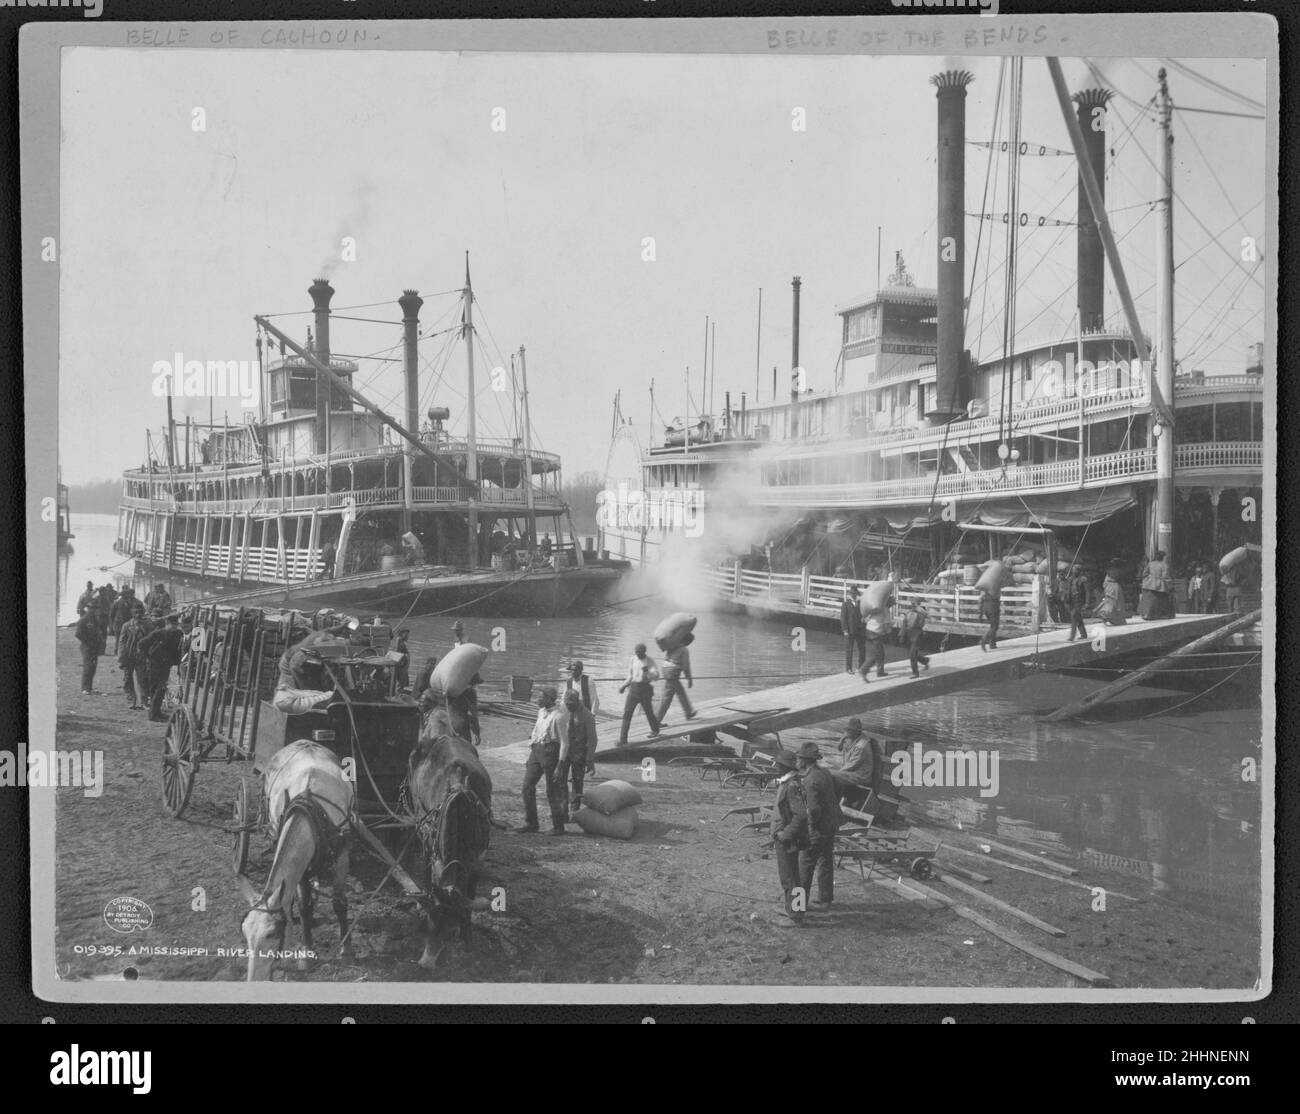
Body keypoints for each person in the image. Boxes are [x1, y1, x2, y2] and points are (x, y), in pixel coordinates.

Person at [796, 742, 843, 910]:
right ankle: (825, 900)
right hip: (831, 824)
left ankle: (797, 905)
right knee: (825, 861)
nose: (797, 761)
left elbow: (814, 810)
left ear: (804, 761)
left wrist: (806, 828)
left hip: (817, 828)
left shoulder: (810, 780)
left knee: (804, 865)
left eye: (798, 758)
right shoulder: (825, 773)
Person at [518, 686, 567, 835]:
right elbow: (536, 732)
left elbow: (565, 743)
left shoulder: (559, 716)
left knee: (552, 791)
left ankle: (558, 827)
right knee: (527, 787)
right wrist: (531, 754)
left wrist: (560, 765)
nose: (537, 699)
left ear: (549, 699)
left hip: (551, 752)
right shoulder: (541, 712)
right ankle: (531, 823)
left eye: (540, 697)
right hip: (537, 751)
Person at [769, 750, 809, 924]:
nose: (775, 767)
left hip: (786, 839)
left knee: (789, 877)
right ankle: (795, 909)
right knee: (793, 876)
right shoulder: (790, 783)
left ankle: (796, 916)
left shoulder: (791, 787)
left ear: (784, 767)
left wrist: (786, 835)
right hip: (786, 837)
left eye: (778, 764)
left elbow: (801, 815)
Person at [556, 688, 597, 818]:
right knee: (560, 779)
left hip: (579, 753)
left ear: (577, 702)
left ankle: (574, 809)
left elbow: (593, 739)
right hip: (565, 750)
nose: (569, 706)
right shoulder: (563, 711)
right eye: (567, 704)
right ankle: (563, 809)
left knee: (577, 781)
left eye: (571, 704)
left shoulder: (587, 716)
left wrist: (590, 759)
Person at [137, 613, 185, 721]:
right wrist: (148, 657)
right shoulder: (158, 633)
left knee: (160, 689)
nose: (174, 627)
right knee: (157, 689)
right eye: (172, 625)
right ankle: (153, 715)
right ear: (166, 624)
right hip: (155, 665)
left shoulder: (177, 634)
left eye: (176, 625)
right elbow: (141, 644)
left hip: (166, 665)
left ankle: (156, 712)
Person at [617, 642, 661, 745]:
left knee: (648, 712)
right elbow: (630, 676)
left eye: (640, 652)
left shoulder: (650, 661)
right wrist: (623, 686)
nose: (638, 654)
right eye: (637, 652)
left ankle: (655, 730)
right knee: (627, 713)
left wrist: (648, 672)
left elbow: (656, 676)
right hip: (633, 689)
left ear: (644, 652)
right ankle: (623, 740)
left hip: (645, 689)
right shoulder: (632, 659)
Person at [833, 718, 883, 807]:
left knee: (832, 776)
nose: (847, 733)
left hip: (861, 776)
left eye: (850, 731)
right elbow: (839, 748)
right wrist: (842, 740)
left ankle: (835, 805)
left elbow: (850, 766)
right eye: (847, 730)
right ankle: (838, 803)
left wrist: (834, 773)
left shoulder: (861, 746)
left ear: (857, 732)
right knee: (833, 775)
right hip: (852, 773)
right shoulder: (851, 739)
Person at [656, 633, 697, 724]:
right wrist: (689, 679)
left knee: (680, 693)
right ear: (688, 642)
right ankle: (656, 722)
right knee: (667, 698)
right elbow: (686, 667)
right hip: (672, 674)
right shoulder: (684, 650)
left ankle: (689, 712)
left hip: (665, 670)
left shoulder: (672, 646)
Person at [116, 609, 148, 708]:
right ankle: (131, 701)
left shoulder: (147, 625)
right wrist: (121, 658)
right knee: (127, 680)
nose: (138, 615)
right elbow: (121, 643)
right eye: (136, 613)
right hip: (128, 656)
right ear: (132, 614)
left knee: (142, 680)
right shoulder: (126, 626)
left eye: (140, 613)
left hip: (141, 657)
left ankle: (144, 702)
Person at [75, 606, 106, 695]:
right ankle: (85, 688)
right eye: (92, 609)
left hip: (94, 647)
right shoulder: (83, 620)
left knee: (93, 667)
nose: (94, 610)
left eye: (95, 609)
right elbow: (78, 634)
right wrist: (88, 641)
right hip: (87, 647)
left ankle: (89, 687)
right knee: (88, 666)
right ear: (88, 609)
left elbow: (98, 632)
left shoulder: (95, 619)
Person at [858, 598, 888, 681]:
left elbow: (865, 619)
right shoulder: (884, 609)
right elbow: (886, 624)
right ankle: (863, 670)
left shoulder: (875, 608)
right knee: (877, 654)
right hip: (876, 633)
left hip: (868, 631)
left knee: (879, 652)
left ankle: (880, 671)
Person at [1139, 550, 1173, 619]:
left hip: (1149, 583)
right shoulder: (1164, 565)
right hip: (1160, 584)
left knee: (1148, 599)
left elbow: (1144, 573)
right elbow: (1165, 576)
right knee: (1161, 599)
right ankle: (1159, 615)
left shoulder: (1150, 564)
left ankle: (1146, 614)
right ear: (1162, 557)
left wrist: (1148, 578)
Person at [1094, 559, 1129, 625]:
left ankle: (1107, 616)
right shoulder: (1116, 571)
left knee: (1110, 602)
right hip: (1114, 588)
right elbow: (1117, 578)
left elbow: (1105, 583)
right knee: (1115, 604)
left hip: (1109, 587)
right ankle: (1111, 617)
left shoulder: (1108, 572)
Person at [840, 586, 866, 674]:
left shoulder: (860, 603)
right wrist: (845, 630)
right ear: (850, 595)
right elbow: (843, 618)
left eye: (855, 594)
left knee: (862, 649)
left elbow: (863, 614)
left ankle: (861, 667)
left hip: (860, 629)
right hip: (850, 630)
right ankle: (849, 668)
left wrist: (864, 620)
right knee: (849, 649)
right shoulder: (845, 604)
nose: (854, 595)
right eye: (852, 594)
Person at [902, 600, 930, 677]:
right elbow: (904, 625)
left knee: (912, 654)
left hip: (916, 635)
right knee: (911, 653)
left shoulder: (920, 614)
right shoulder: (908, 613)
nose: (912, 605)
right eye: (912, 604)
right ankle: (924, 661)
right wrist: (901, 636)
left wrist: (918, 611)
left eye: (914, 604)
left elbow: (921, 624)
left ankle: (915, 673)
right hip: (908, 635)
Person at [1065, 566, 1092, 642]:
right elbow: (1068, 589)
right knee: (1078, 617)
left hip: (1079, 601)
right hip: (1072, 601)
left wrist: (1087, 603)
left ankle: (1072, 636)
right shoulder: (1070, 579)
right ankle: (1083, 634)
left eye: (1075, 570)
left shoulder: (1083, 579)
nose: (1074, 571)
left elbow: (1087, 591)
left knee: (1074, 616)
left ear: (1079, 571)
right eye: (1073, 570)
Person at [978, 582, 1001, 652]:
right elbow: (998, 596)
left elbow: (980, 599)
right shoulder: (996, 584)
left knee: (992, 626)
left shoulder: (984, 584)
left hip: (985, 607)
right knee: (995, 627)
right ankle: (983, 640)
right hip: (993, 606)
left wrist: (980, 613)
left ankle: (992, 644)